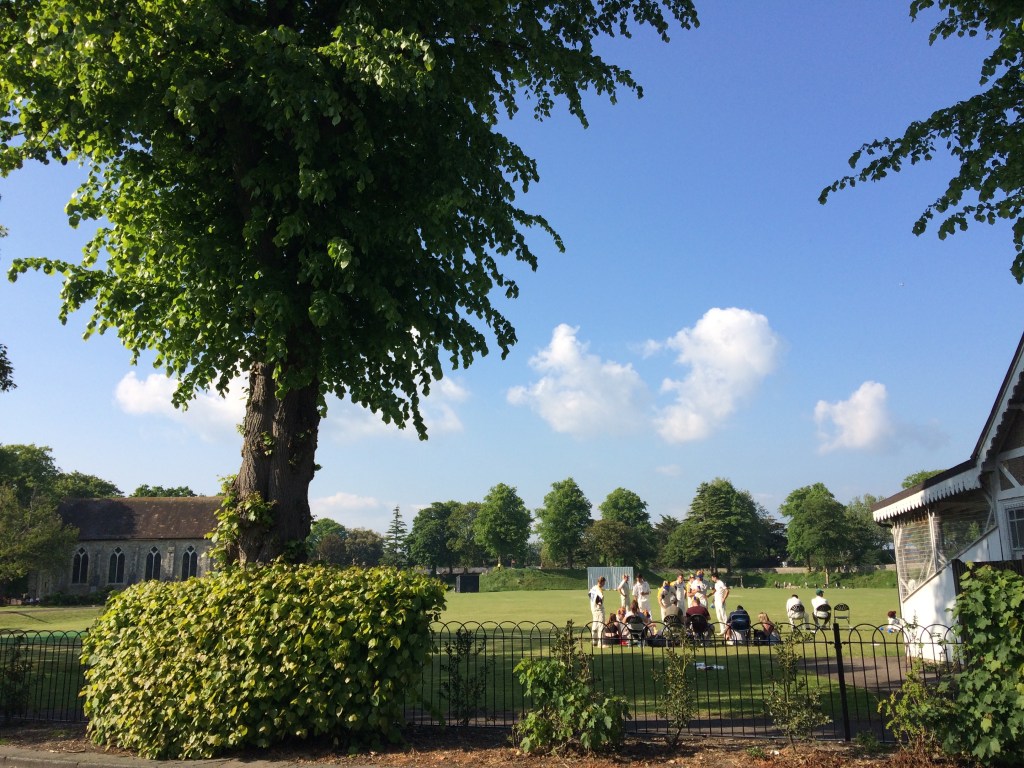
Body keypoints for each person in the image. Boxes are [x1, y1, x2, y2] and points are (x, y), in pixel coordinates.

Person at [588, 576, 606, 645]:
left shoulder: (593, 588)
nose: (604, 584)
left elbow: (589, 594)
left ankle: (594, 641)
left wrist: (593, 602)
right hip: (599, 610)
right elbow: (600, 601)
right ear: (602, 582)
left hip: (593, 609)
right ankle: (601, 642)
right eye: (604, 582)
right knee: (601, 625)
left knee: (595, 625)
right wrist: (599, 604)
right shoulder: (599, 590)